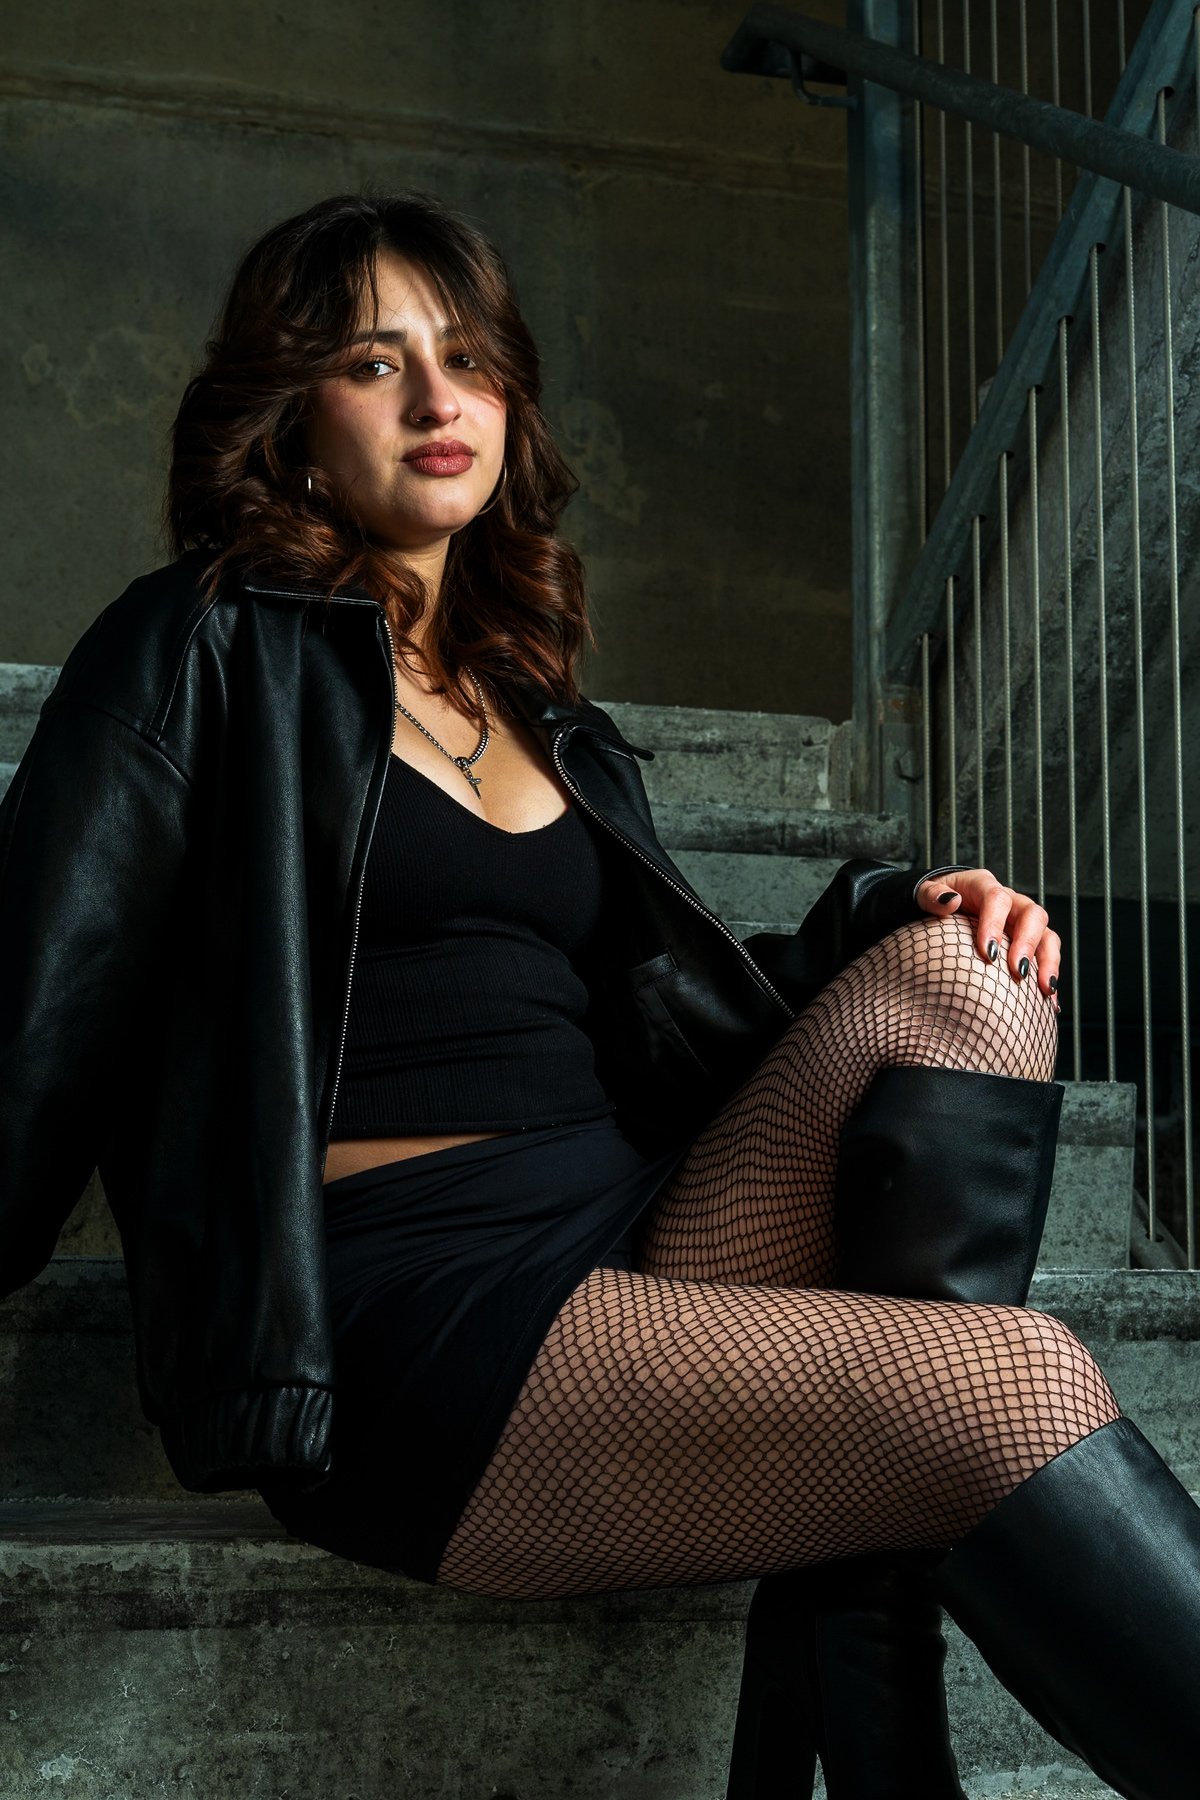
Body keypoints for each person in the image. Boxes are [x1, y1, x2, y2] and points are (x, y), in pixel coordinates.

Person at [0, 190, 1196, 1800]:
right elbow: (32, 1023)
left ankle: (869, 1681)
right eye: (375, 361)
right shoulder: (195, 651)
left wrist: (885, 916)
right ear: (289, 421)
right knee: (1012, 1375)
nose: (441, 402)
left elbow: (660, 1018)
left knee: (967, 978)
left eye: (471, 357)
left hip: (627, 1228)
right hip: (406, 1315)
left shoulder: (534, 693)